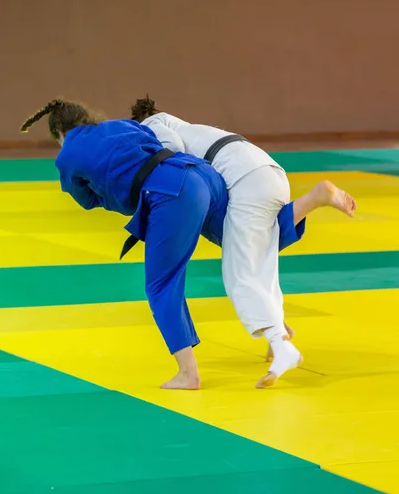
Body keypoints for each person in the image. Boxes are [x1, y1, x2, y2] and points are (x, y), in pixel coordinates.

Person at [130, 96, 357, 387]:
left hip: (247, 181)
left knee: (239, 274)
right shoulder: (192, 127)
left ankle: (282, 347)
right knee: (261, 254)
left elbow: (170, 150)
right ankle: (279, 331)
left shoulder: (153, 124)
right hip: (268, 172)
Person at [20, 99, 229, 391]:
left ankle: (188, 374)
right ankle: (277, 333)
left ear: (59, 132)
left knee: (161, 285)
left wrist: (111, 193)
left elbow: (87, 201)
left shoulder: (67, 155)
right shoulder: (122, 125)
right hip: (201, 174)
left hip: (172, 194)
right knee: (245, 243)